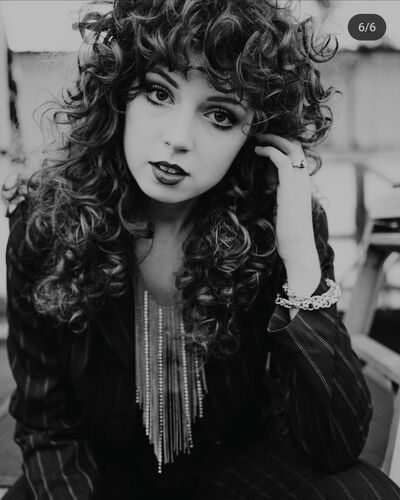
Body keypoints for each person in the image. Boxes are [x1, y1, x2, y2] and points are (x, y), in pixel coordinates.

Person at [3, 0, 400, 498]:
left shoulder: (275, 223)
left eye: (219, 114)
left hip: (232, 467)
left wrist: (301, 259)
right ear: (119, 93)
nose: (177, 139)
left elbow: (334, 446)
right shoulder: (45, 222)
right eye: (158, 92)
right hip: (95, 476)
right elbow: (48, 428)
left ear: (256, 134)